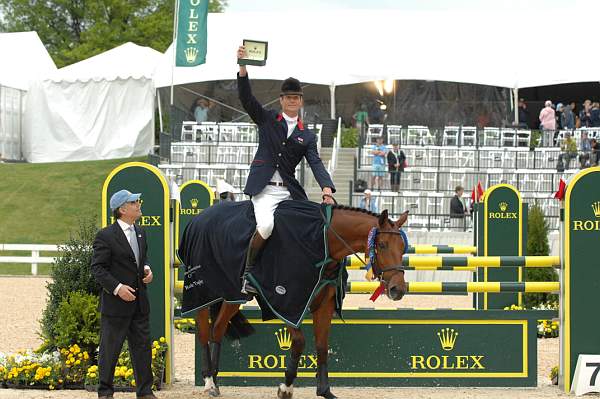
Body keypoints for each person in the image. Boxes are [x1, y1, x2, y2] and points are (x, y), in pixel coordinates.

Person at [236, 45, 335, 295]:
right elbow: (247, 100)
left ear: (300, 102)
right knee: (267, 227)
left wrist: (326, 188)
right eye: (288, 97)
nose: (292, 101)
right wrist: (242, 68)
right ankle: (248, 274)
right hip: (265, 191)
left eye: (296, 98)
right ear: (281, 100)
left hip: (289, 193)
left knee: (307, 227)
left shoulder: (307, 135)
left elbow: (316, 163)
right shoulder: (268, 119)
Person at [91, 190, 157, 399]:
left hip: (139, 303)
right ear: (122, 209)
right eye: (133, 202)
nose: (138, 204)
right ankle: (105, 392)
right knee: (110, 350)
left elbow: (141, 259)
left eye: (137, 200)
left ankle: (145, 391)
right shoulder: (105, 235)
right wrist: (118, 288)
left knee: (142, 349)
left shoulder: (140, 232)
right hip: (115, 304)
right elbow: (98, 268)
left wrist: (147, 269)